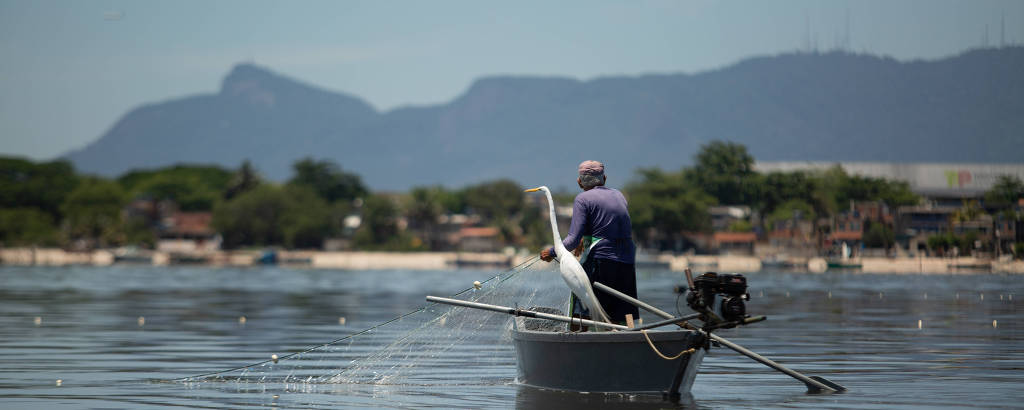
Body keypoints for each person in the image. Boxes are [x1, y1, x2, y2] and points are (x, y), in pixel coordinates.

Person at [540, 160, 640, 326]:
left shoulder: (583, 199)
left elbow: (571, 241)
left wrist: (551, 252)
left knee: (582, 312)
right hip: (627, 262)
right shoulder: (619, 195)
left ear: (579, 182)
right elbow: (608, 227)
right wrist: (584, 237)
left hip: (601, 262)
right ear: (605, 179)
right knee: (619, 315)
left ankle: (575, 342)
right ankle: (624, 340)